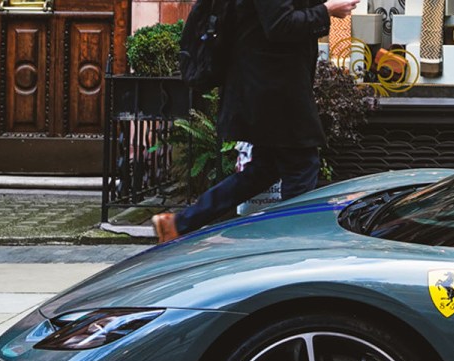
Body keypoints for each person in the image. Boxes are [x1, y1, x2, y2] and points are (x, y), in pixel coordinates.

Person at [153, 0, 360, 243]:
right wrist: (326, 11)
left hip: (268, 88)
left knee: (263, 170)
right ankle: (294, 246)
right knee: (301, 167)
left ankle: (178, 224)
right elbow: (280, 25)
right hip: (273, 90)